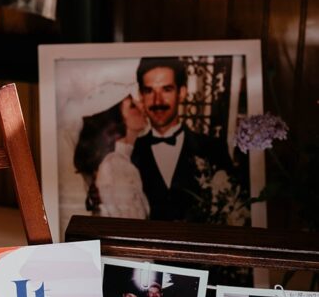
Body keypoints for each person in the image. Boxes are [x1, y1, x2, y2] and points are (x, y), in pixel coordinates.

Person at [131, 57, 237, 222]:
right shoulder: (130, 152)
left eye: (166, 90)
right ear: (141, 96)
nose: (157, 101)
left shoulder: (213, 149)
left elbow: (234, 209)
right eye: (149, 91)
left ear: (182, 93)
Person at [74, 95, 150, 218]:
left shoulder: (121, 162)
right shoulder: (116, 165)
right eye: (132, 106)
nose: (142, 107)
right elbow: (133, 226)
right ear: (117, 121)